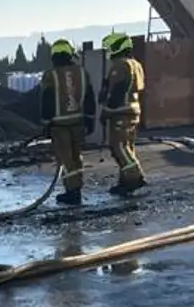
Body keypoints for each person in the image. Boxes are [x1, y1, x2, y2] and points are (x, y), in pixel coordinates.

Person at [39, 38, 97, 206]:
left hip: (59, 126)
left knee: (66, 159)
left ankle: (72, 193)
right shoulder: (82, 72)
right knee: (76, 157)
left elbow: (47, 99)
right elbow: (89, 97)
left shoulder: (51, 75)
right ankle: (76, 188)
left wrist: (46, 123)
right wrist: (90, 119)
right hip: (79, 123)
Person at [100, 32, 146, 196]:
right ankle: (125, 181)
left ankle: (135, 176)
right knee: (128, 147)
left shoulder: (120, 65)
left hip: (121, 112)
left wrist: (107, 110)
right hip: (133, 110)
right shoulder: (136, 64)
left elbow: (118, 90)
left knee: (118, 146)